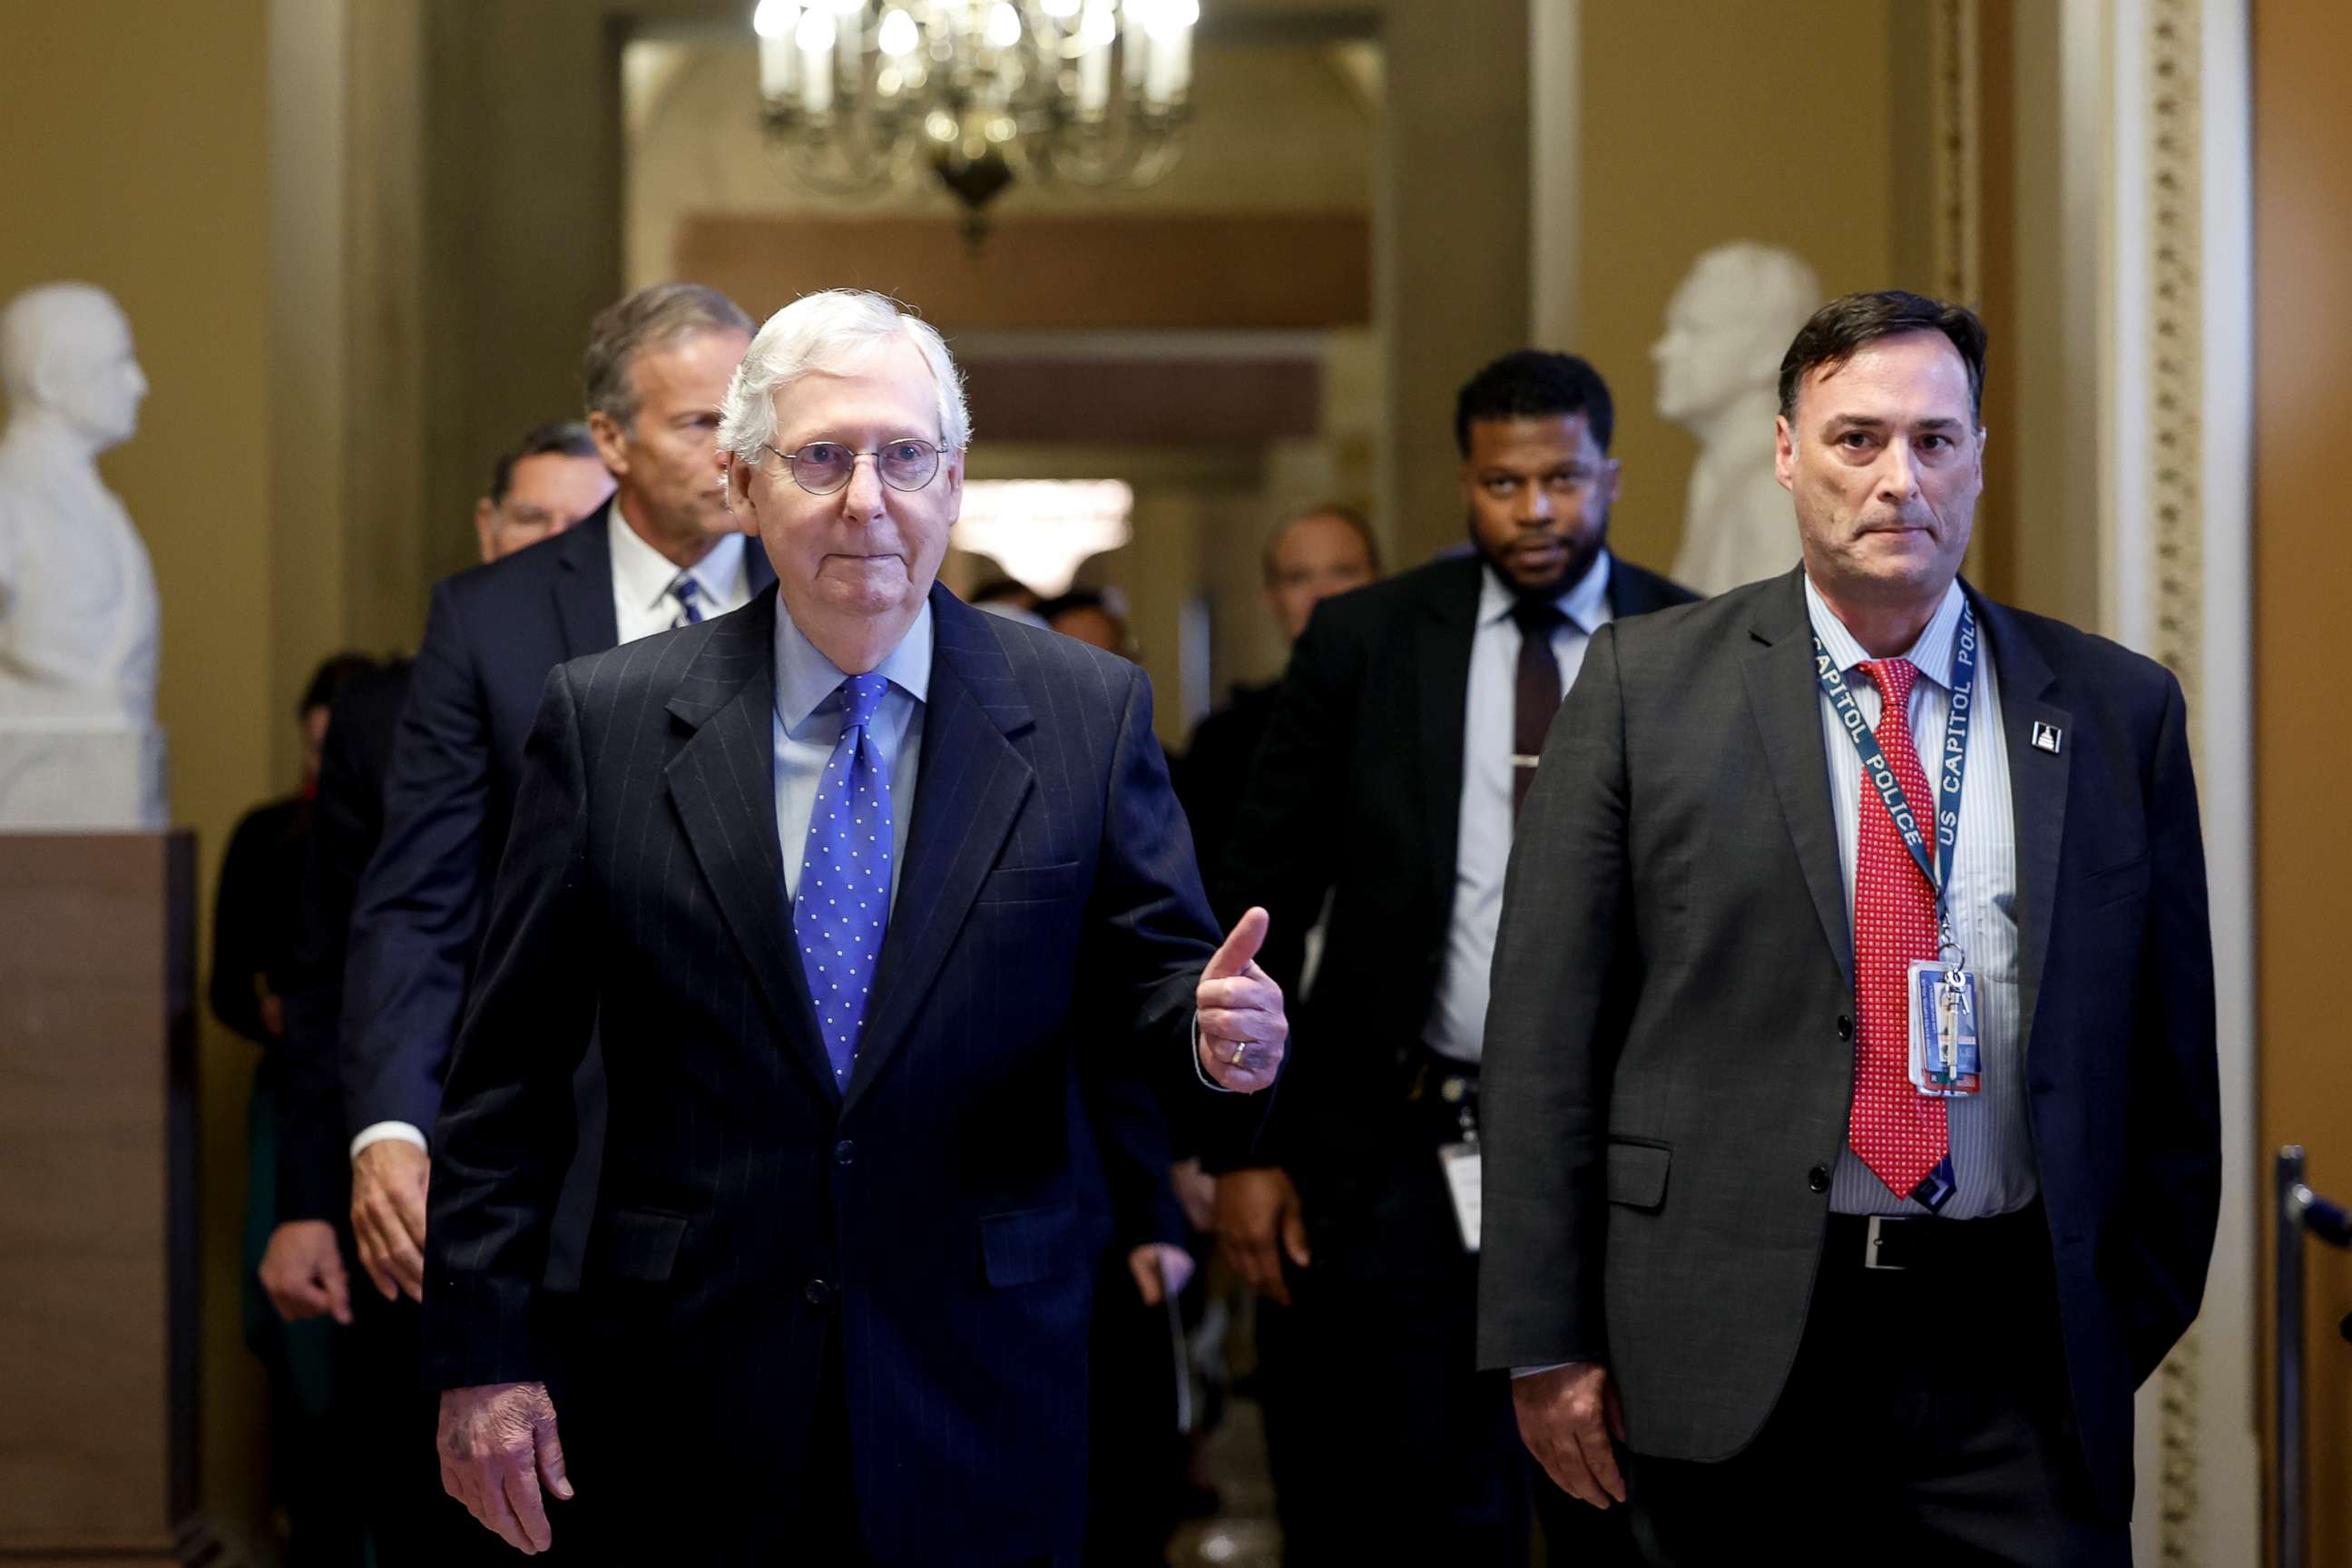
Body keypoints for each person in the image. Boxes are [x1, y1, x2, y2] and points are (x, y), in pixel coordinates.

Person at [422, 289, 1288, 1564]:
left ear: (955, 480)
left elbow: (1156, 985)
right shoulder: (607, 721)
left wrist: (1216, 1040)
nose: (865, 499)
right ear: (744, 483)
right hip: (689, 1382)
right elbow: (507, 1079)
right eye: (820, 458)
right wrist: (484, 1359)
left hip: (985, 1373)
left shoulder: (1083, 711)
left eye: (903, 456)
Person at [1481, 291, 2220, 1564]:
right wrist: (1545, 1343)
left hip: (2012, 1365)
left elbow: (2170, 1062)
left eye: (1936, 441)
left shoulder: (2115, 710)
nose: (1899, 479)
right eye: (1857, 439)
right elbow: (1544, 1041)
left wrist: (2107, 1318)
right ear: (1786, 452)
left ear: (1979, 456)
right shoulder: (1646, 689)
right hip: (1730, 1352)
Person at [1211, 351, 1693, 1565]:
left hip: (1625, 1161)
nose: (1535, 511)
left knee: (1617, 1503)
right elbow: (1260, 898)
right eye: (1503, 482)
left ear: (1611, 476)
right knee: (1410, 1505)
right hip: (1399, 1147)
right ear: (1465, 485)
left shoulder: (1693, 639)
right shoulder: (1368, 644)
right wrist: (1244, 1146)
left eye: (1562, 479)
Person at [338, 284, 762, 1324]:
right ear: (611, 438)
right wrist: (391, 1121)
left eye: (751, 415)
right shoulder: (490, 619)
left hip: (776, 1162)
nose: (733, 450)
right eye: (701, 421)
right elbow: (420, 899)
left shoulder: (825, 589)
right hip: (566, 1161)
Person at [258, 416, 633, 1562]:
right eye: (533, 520)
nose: (556, 547)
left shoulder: (701, 680)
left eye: (583, 524)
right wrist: (323, 1185)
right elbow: (346, 963)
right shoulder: (386, 714)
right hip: (452, 1181)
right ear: (489, 528)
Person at [213, 652, 377, 1564]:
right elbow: (226, 983)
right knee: (292, 1314)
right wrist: (270, 1008)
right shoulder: (269, 833)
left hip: (381, 1096)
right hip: (297, 1094)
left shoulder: (401, 821)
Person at [1175, 504, 1380, 894]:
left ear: (1381, 583)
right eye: (1299, 578)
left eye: (1344, 572)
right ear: (1272, 598)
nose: (1324, 595)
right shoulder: (1223, 741)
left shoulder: (1427, 718)